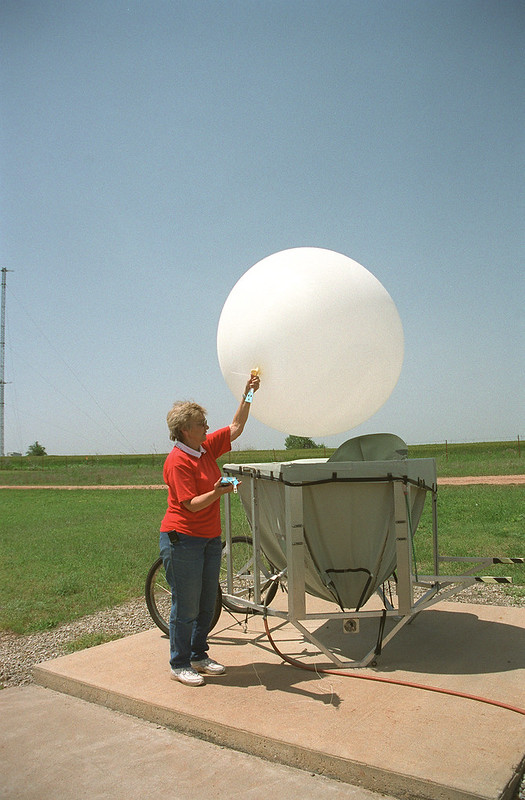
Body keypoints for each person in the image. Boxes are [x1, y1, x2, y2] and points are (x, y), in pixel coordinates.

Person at [159, 372, 260, 686]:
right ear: (186, 429)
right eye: (202, 423)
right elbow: (190, 504)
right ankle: (179, 663)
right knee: (186, 603)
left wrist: (249, 394)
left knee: (206, 601)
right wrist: (219, 490)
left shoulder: (204, 450)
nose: (207, 427)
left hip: (208, 539)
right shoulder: (178, 461)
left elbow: (237, 426)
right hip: (183, 540)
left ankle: (198, 655)